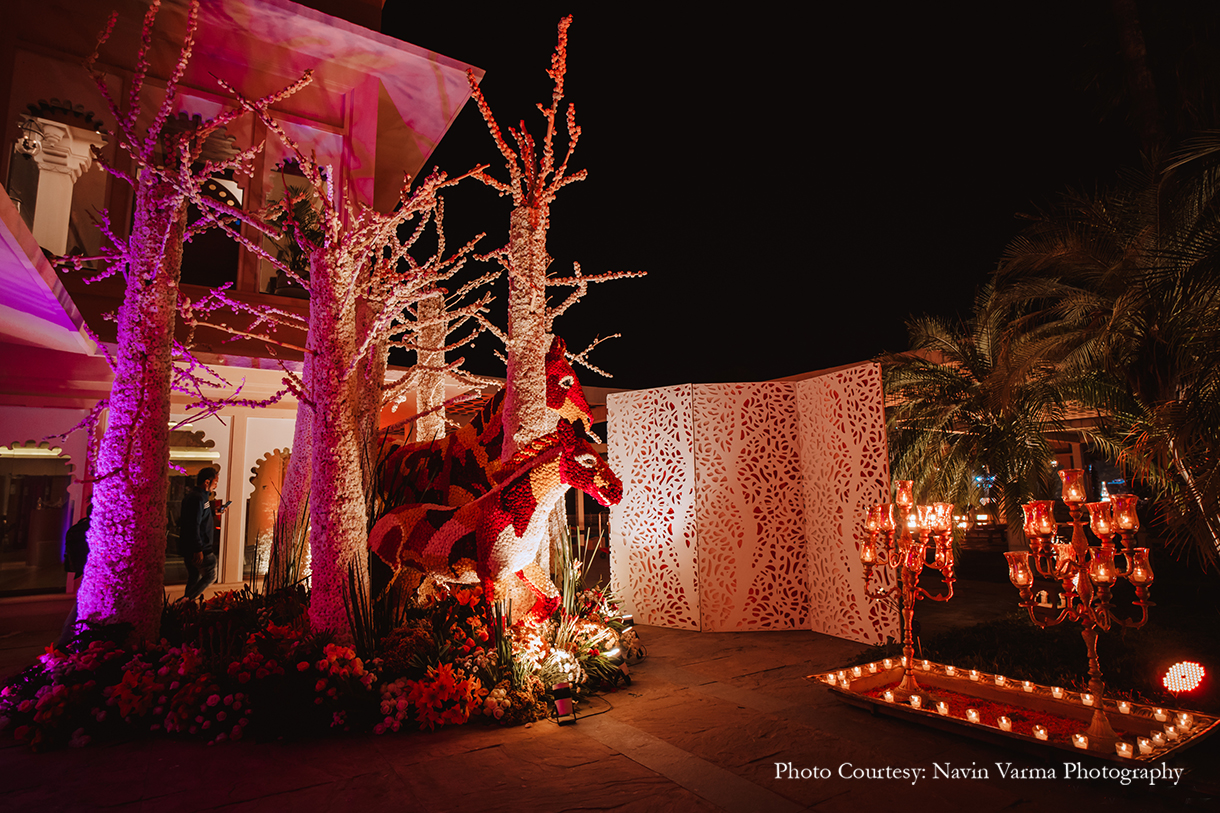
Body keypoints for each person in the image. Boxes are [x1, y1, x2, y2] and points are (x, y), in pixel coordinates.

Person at [179, 467, 226, 600]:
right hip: (200, 548)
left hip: (190, 546)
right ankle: (184, 601)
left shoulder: (199, 498)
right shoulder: (198, 499)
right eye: (215, 483)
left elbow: (197, 517)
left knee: (194, 577)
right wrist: (198, 548)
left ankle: (184, 607)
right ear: (207, 482)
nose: (215, 486)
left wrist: (213, 512)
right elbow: (193, 524)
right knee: (211, 575)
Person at [56, 503, 91, 649]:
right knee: (80, 604)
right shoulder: (96, 530)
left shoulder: (83, 526)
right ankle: (66, 641)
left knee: (81, 602)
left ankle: (66, 640)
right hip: (94, 572)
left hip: (87, 570)